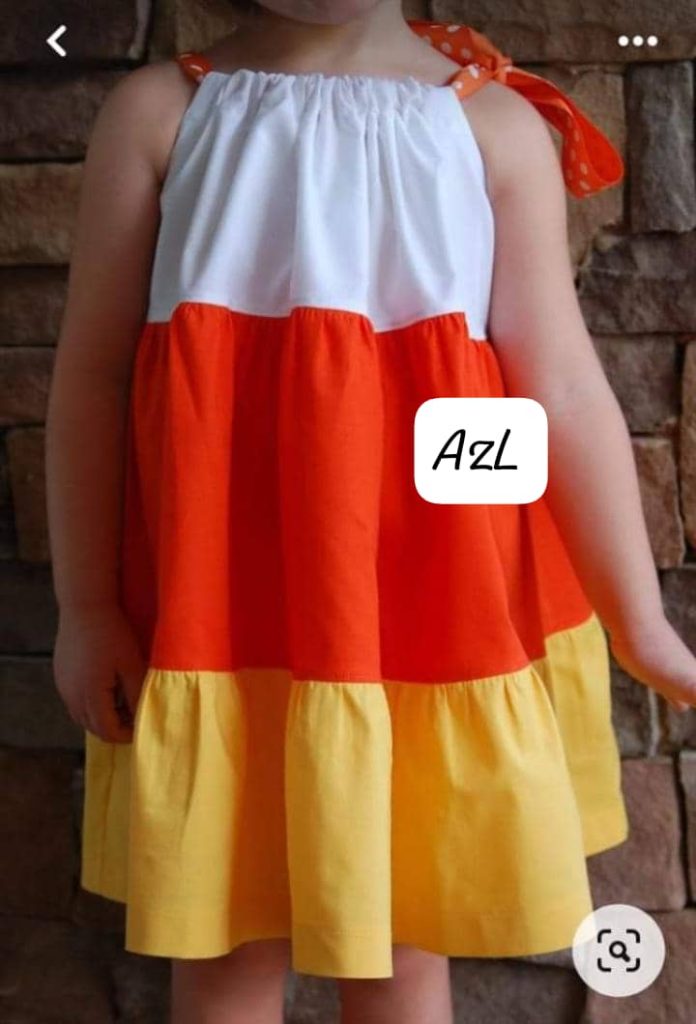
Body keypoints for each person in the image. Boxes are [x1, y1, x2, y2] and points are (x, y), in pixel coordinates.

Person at [45, 2, 696, 1022]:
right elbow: (92, 376)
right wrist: (86, 607)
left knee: (401, 945)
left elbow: (563, 388)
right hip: (224, 608)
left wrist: (640, 620)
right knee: (223, 948)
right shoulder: (161, 113)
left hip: (423, 610)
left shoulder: (492, 124)